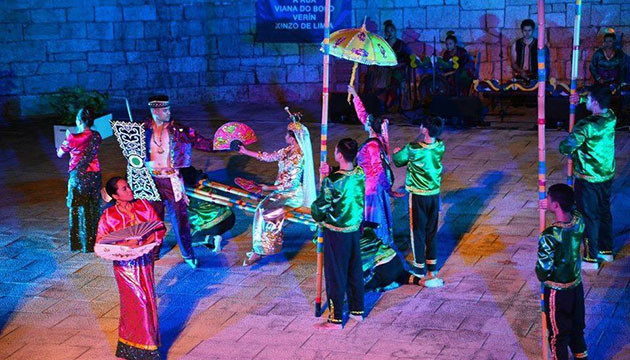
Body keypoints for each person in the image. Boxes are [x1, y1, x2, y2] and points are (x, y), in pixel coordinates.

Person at [96, 177, 165, 360]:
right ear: (115, 196)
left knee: (148, 300)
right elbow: (101, 243)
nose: (129, 190)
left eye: (128, 187)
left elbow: (158, 228)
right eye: (124, 189)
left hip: (144, 261)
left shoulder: (143, 206)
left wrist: (145, 241)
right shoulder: (108, 216)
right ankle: (135, 346)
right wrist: (127, 244)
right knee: (136, 302)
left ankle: (148, 346)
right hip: (124, 267)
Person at [144, 94, 214, 269]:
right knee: (153, 218)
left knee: (180, 220)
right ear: (155, 111)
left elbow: (202, 143)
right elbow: (132, 155)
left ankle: (188, 254)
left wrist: (227, 144)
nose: (168, 112)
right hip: (152, 180)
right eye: (165, 110)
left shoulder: (178, 130)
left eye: (169, 109)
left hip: (172, 179)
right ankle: (153, 251)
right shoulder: (142, 130)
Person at [238, 119, 316, 266]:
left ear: (293, 138)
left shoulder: (298, 157)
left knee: (266, 210)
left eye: (287, 134)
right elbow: (268, 157)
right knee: (261, 209)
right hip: (281, 192)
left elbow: (289, 184)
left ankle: (262, 249)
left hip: (292, 194)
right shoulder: (287, 151)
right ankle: (259, 248)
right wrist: (246, 151)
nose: (285, 136)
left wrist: (267, 188)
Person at [311, 138, 365, 329]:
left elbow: (320, 208)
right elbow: (345, 178)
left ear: (339, 155)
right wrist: (331, 171)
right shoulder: (360, 173)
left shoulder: (331, 182)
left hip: (336, 232)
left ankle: (335, 319)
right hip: (354, 230)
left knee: (336, 273)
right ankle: (357, 310)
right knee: (354, 269)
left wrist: (315, 211)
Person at [560, 87, 616, 270]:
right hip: (606, 174)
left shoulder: (586, 126)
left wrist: (565, 143)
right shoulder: (611, 117)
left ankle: (591, 257)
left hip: (589, 178)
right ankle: (606, 250)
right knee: (604, 211)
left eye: (589, 98)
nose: (587, 100)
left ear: (595, 102)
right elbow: (595, 99)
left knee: (589, 216)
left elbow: (567, 147)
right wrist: (581, 99)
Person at [536, 184, 588, 360]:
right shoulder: (579, 221)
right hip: (576, 286)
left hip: (557, 293)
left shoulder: (550, 236)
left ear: (556, 205)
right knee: (576, 328)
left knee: (558, 335)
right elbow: (574, 211)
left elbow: (542, 271)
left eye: (549, 199)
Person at [393, 116, 445, 280]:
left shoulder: (414, 148)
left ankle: (419, 267)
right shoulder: (440, 146)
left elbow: (398, 160)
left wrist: (396, 152)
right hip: (434, 195)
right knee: (431, 230)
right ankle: (432, 266)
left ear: (426, 130)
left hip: (418, 195)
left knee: (417, 230)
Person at [348, 85, 396, 247]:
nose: (364, 122)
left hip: (372, 188)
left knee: (374, 218)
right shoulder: (378, 137)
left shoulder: (373, 146)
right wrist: (355, 95)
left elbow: (379, 169)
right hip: (372, 186)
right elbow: (362, 114)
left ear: (370, 126)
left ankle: (376, 242)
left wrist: (387, 188)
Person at [56, 107, 102, 252]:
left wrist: (66, 139)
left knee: (78, 207)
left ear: (79, 121)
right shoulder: (97, 136)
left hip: (79, 176)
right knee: (93, 206)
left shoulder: (72, 138)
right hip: (94, 175)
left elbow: (60, 153)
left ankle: (81, 243)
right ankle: (95, 240)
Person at [360, 222, 443, 291]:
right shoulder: (363, 224)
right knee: (400, 275)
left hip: (381, 271)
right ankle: (421, 281)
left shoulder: (349, 235)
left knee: (355, 284)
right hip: (396, 263)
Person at [180, 166, 235, 253]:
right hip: (229, 217)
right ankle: (208, 238)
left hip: (214, 225)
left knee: (186, 240)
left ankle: (211, 239)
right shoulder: (202, 179)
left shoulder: (182, 189)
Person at [366, 19, 411, 112]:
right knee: (372, 77)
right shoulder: (383, 44)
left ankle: (389, 103)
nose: (390, 33)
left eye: (391, 31)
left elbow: (407, 59)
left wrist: (397, 65)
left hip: (398, 69)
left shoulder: (401, 45)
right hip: (385, 69)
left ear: (395, 31)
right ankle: (376, 102)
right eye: (387, 31)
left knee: (393, 81)